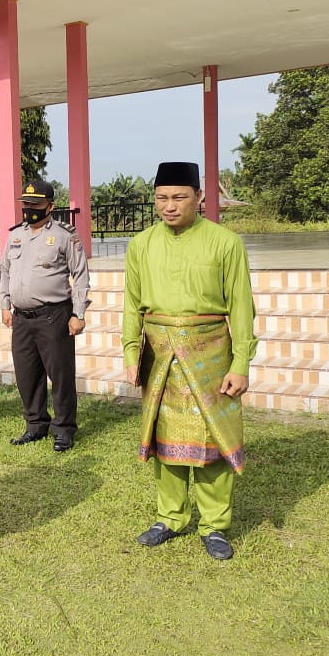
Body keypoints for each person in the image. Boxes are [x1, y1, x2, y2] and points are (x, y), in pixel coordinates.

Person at [125, 162, 255, 562]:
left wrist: (241, 363)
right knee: (165, 440)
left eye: (179, 197)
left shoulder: (224, 242)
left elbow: (241, 305)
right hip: (159, 352)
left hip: (210, 351)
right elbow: (132, 303)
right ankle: (171, 517)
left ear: (199, 198)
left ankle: (215, 525)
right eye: (162, 198)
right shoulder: (141, 244)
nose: (169, 206)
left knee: (211, 438)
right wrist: (132, 352)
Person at [0, 179, 91, 452]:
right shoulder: (15, 235)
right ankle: (35, 424)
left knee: (60, 376)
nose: (29, 209)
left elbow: (80, 275)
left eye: (35, 204)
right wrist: (5, 305)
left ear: (50, 206)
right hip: (21, 318)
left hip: (54, 315)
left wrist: (79, 313)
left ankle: (63, 429)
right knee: (27, 375)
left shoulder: (65, 235)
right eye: (26, 204)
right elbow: (5, 272)